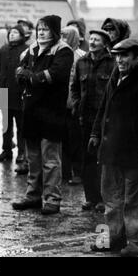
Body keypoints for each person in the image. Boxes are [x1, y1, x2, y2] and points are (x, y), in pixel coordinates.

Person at [89, 39, 138, 257]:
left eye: (124, 56)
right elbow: (104, 108)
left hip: (137, 153)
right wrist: (96, 133)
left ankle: (136, 243)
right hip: (111, 149)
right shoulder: (116, 76)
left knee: (135, 199)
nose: (119, 60)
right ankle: (112, 239)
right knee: (111, 198)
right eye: (117, 55)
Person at [12, 15, 74, 215]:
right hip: (31, 109)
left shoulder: (63, 50)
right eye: (39, 28)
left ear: (54, 31)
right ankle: (33, 195)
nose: (40, 32)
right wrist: (22, 76)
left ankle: (52, 199)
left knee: (50, 158)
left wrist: (31, 77)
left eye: (45, 29)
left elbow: (56, 75)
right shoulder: (30, 50)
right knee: (33, 157)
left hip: (52, 111)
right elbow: (22, 72)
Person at [70, 29, 113, 213]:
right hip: (85, 118)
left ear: (105, 44)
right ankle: (90, 198)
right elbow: (75, 88)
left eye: (97, 40)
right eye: (91, 39)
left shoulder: (112, 63)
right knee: (87, 159)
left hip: (105, 120)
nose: (93, 42)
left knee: (102, 160)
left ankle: (104, 199)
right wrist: (77, 104)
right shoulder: (82, 62)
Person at [0, 25, 28, 165]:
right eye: (11, 33)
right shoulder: (2, 50)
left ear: (22, 35)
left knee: (21, 126)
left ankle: (21, 153)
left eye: (16, 33)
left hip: (20, 94)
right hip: (5, 92)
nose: (12, 35)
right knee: (6, 126)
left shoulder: (26, 50)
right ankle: (6, 150)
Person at [60, 26, 86, 185]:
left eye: (65, 36)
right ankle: (64, 171)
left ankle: (77, 172)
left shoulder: (82, 57)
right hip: (60, 104)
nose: (63, 39)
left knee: (76, 141)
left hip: (75, 105)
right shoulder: (58, 55)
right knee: (62, 140)